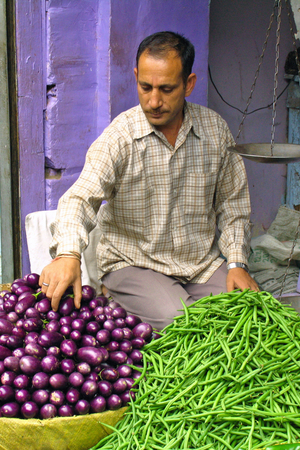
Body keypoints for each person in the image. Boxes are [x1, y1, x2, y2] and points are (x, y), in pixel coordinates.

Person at [40, 31, 259, 330]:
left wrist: (236, 264)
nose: (154, 101)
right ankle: (121, 299)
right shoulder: (121, 137)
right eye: (145, 87)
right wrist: (68, 254)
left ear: (189, 84)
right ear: (136, 77)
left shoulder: (215, 131)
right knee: (183, 324)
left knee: (253, 316)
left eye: (167, 89)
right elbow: (80, 198)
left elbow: (233, 206)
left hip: (200, 266)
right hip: (134, 265)